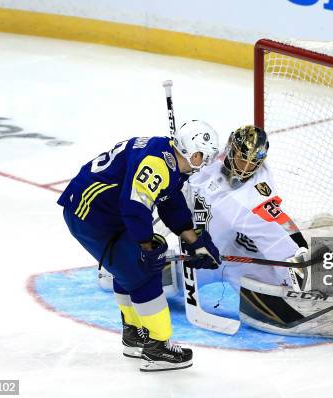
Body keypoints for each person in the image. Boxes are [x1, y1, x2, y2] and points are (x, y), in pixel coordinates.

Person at [182, 125, 333, 344]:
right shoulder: (206, 161)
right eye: (242, 159)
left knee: (293, 275)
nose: (247, 168)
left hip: (237, 258)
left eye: (253, 162)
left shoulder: (257, 187)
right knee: (152, 281)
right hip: (199, 254)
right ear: (230, 150)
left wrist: (303, 255)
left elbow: (279, 224)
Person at [58, 120, 222, 371]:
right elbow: (135, 207)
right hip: (91, 213)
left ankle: (134, 333)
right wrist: (146, 248)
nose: (204, 164)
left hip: (104, 211)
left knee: (127, 270)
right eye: (203, 157)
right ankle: (158, 348)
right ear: (191, 151)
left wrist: (194, 241)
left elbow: (169, 199)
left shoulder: (168, 157)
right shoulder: (157, 164)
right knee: (143, 273)